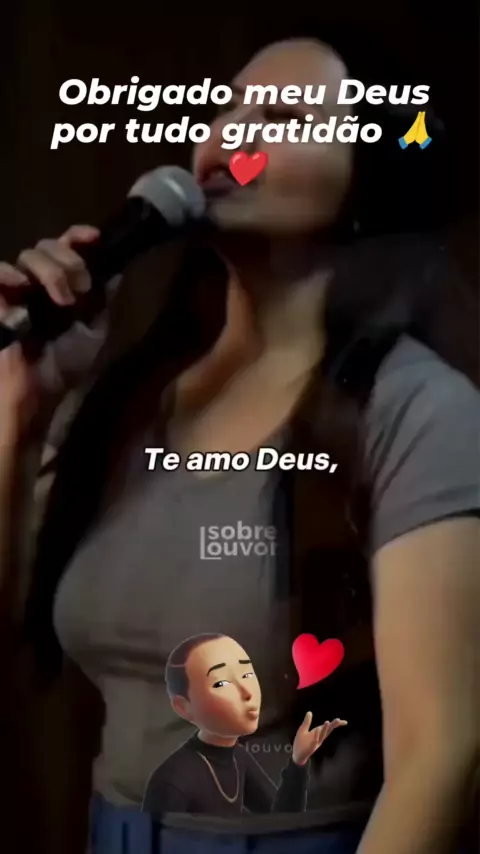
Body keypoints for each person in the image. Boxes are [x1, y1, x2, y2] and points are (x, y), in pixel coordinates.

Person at [0, 35, 478, 854]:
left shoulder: (417, 411)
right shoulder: (124, 400)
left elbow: (443, 758)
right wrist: (21, 407)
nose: (232, 136)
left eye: (283, 117)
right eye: (226, 111)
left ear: (369, 178)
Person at [142, 632, 347, 815]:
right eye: (221, 683)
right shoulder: (171, 781)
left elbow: (280, 823)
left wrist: (298, 761)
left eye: (247, 674)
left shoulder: (238, 757)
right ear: (183, 707)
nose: (247, 692)